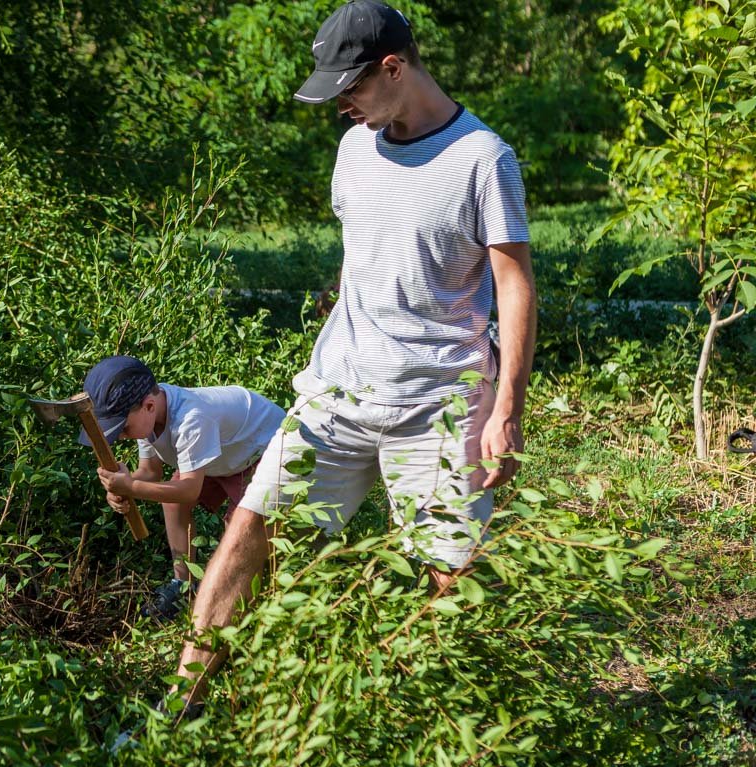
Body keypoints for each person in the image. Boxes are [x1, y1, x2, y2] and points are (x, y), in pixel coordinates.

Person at [171, 0, 537, 710]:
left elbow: (514, 284)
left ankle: (455, 728)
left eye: (351, 88)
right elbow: (364, 251)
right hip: (337, 396)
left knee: (451, 575)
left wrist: (507, 409)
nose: (342, 106)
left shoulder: (483, 159)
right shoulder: (354, 150)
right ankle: (179, 707)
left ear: (394, 68)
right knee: (250, 528)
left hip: (437, 403)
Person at [80, 355, 286, 619]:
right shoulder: (148, 416)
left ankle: (239, 600)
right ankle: (184, 585)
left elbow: (189, 490)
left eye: (122, 427)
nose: (120, 435)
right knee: (172, 500)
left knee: (240, 528)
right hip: (222, 455)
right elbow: (150, 472)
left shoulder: (191, 419)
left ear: (149, 405)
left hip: (263, 452)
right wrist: (123, 486)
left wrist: (131, 487)